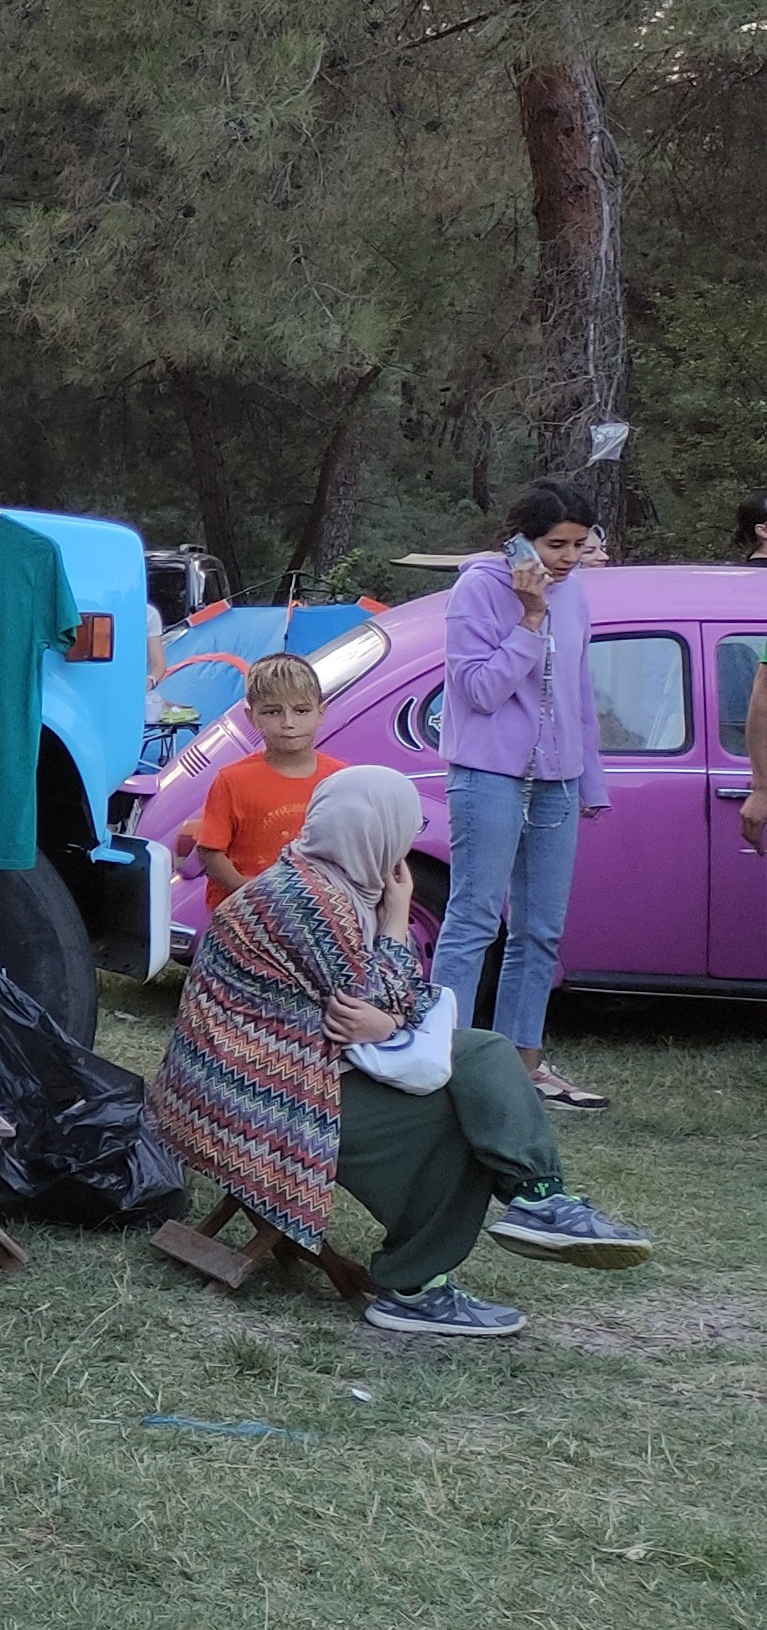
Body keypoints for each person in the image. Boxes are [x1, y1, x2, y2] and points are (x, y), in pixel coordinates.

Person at [149, 765, 651, 1338]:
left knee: (480, 1058)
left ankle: (538, 1201)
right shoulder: (314, 905)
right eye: (402, 835)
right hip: (257, 1108)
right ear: (374, 834)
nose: (404, 851)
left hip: (245, 1087)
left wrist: (386, 1015)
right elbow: (396, 997)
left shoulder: (304, 881)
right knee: (457, 1109)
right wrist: (394, 922)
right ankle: (425, 1281)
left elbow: (387, 1006)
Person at [428, 481, 607, 1108]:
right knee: (475, 918)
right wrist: (530, 618)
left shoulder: (578, 592)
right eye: (555, 544)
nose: (565, 557)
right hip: (489, 776)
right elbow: (478, 690)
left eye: (579, 545)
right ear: (521, 541)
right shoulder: (478, 587)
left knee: (541, 931)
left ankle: (523, 1064)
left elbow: (580, 690)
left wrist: (591, 778)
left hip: (557, 781)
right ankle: (443, 1061)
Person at [177, 652, 342, 908]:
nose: (288, 723)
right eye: (273, 712)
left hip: (319, 914)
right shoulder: (232, 780)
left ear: (321, 713)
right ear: (250, 716)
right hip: (243, 919)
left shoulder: (342, 779)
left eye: (301, 710)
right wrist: (252, 894)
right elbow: (209, 851)